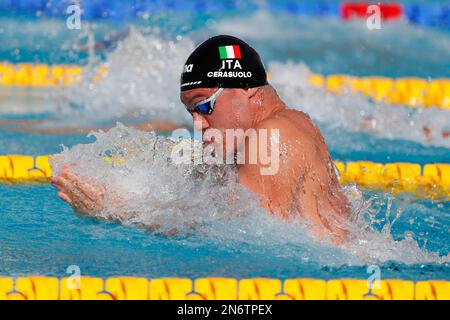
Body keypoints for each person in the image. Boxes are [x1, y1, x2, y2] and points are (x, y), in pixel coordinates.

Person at [52, 35, 351, 244]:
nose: (198, 123)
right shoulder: (277, 130)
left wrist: (118, 210)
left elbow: (251, 236)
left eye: (204, 106)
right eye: (191, 112)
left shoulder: (273, 135)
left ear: (246, 89)